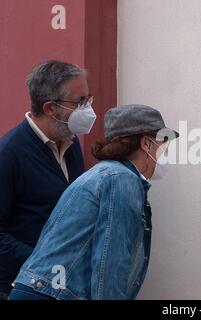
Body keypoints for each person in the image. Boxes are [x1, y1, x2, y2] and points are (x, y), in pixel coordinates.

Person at [9, 104, 179, 300]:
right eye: (163, 143)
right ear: (146, 144)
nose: (166, 152)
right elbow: (111, 263)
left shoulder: (106, 174)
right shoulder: (121, 180)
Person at [0, 60, 94, 299]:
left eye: (88, 98)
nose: (88, 108)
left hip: (63, 287)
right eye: (79, 101)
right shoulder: (9, 153)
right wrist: (44, 264)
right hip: (20, 288)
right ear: (51, 108)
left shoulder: (71, 144)